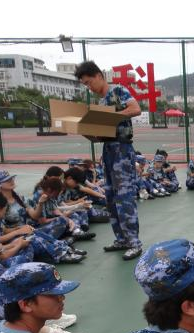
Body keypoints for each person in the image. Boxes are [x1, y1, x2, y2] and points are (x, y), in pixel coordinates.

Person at [74, 60, 142, 260]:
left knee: (124, 197)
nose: (89, 87)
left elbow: (135, 109)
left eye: (89, 82)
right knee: (110, 197)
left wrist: (109, 118)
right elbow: (101, 134)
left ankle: (134, 243)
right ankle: (121, 239)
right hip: (108, 150)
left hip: (122, 149)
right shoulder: (102, 103)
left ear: (99, 76)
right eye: (85, 85)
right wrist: (87, 131)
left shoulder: (118, 90)